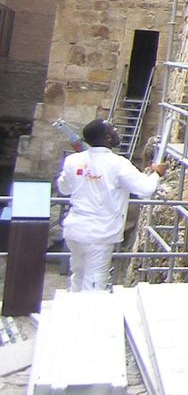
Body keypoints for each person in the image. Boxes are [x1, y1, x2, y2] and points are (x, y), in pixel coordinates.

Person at [56, 119, 168, 292]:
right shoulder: (118, 164)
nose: (118, 132)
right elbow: (145, 189)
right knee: (94, 283)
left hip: (74, 230)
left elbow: (64, 188)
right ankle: (88, 317)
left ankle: (74, 313)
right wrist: (156, 173)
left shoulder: (73, 160)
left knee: (78, 275)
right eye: (114, 129)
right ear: (107, 137)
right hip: (99, 234)